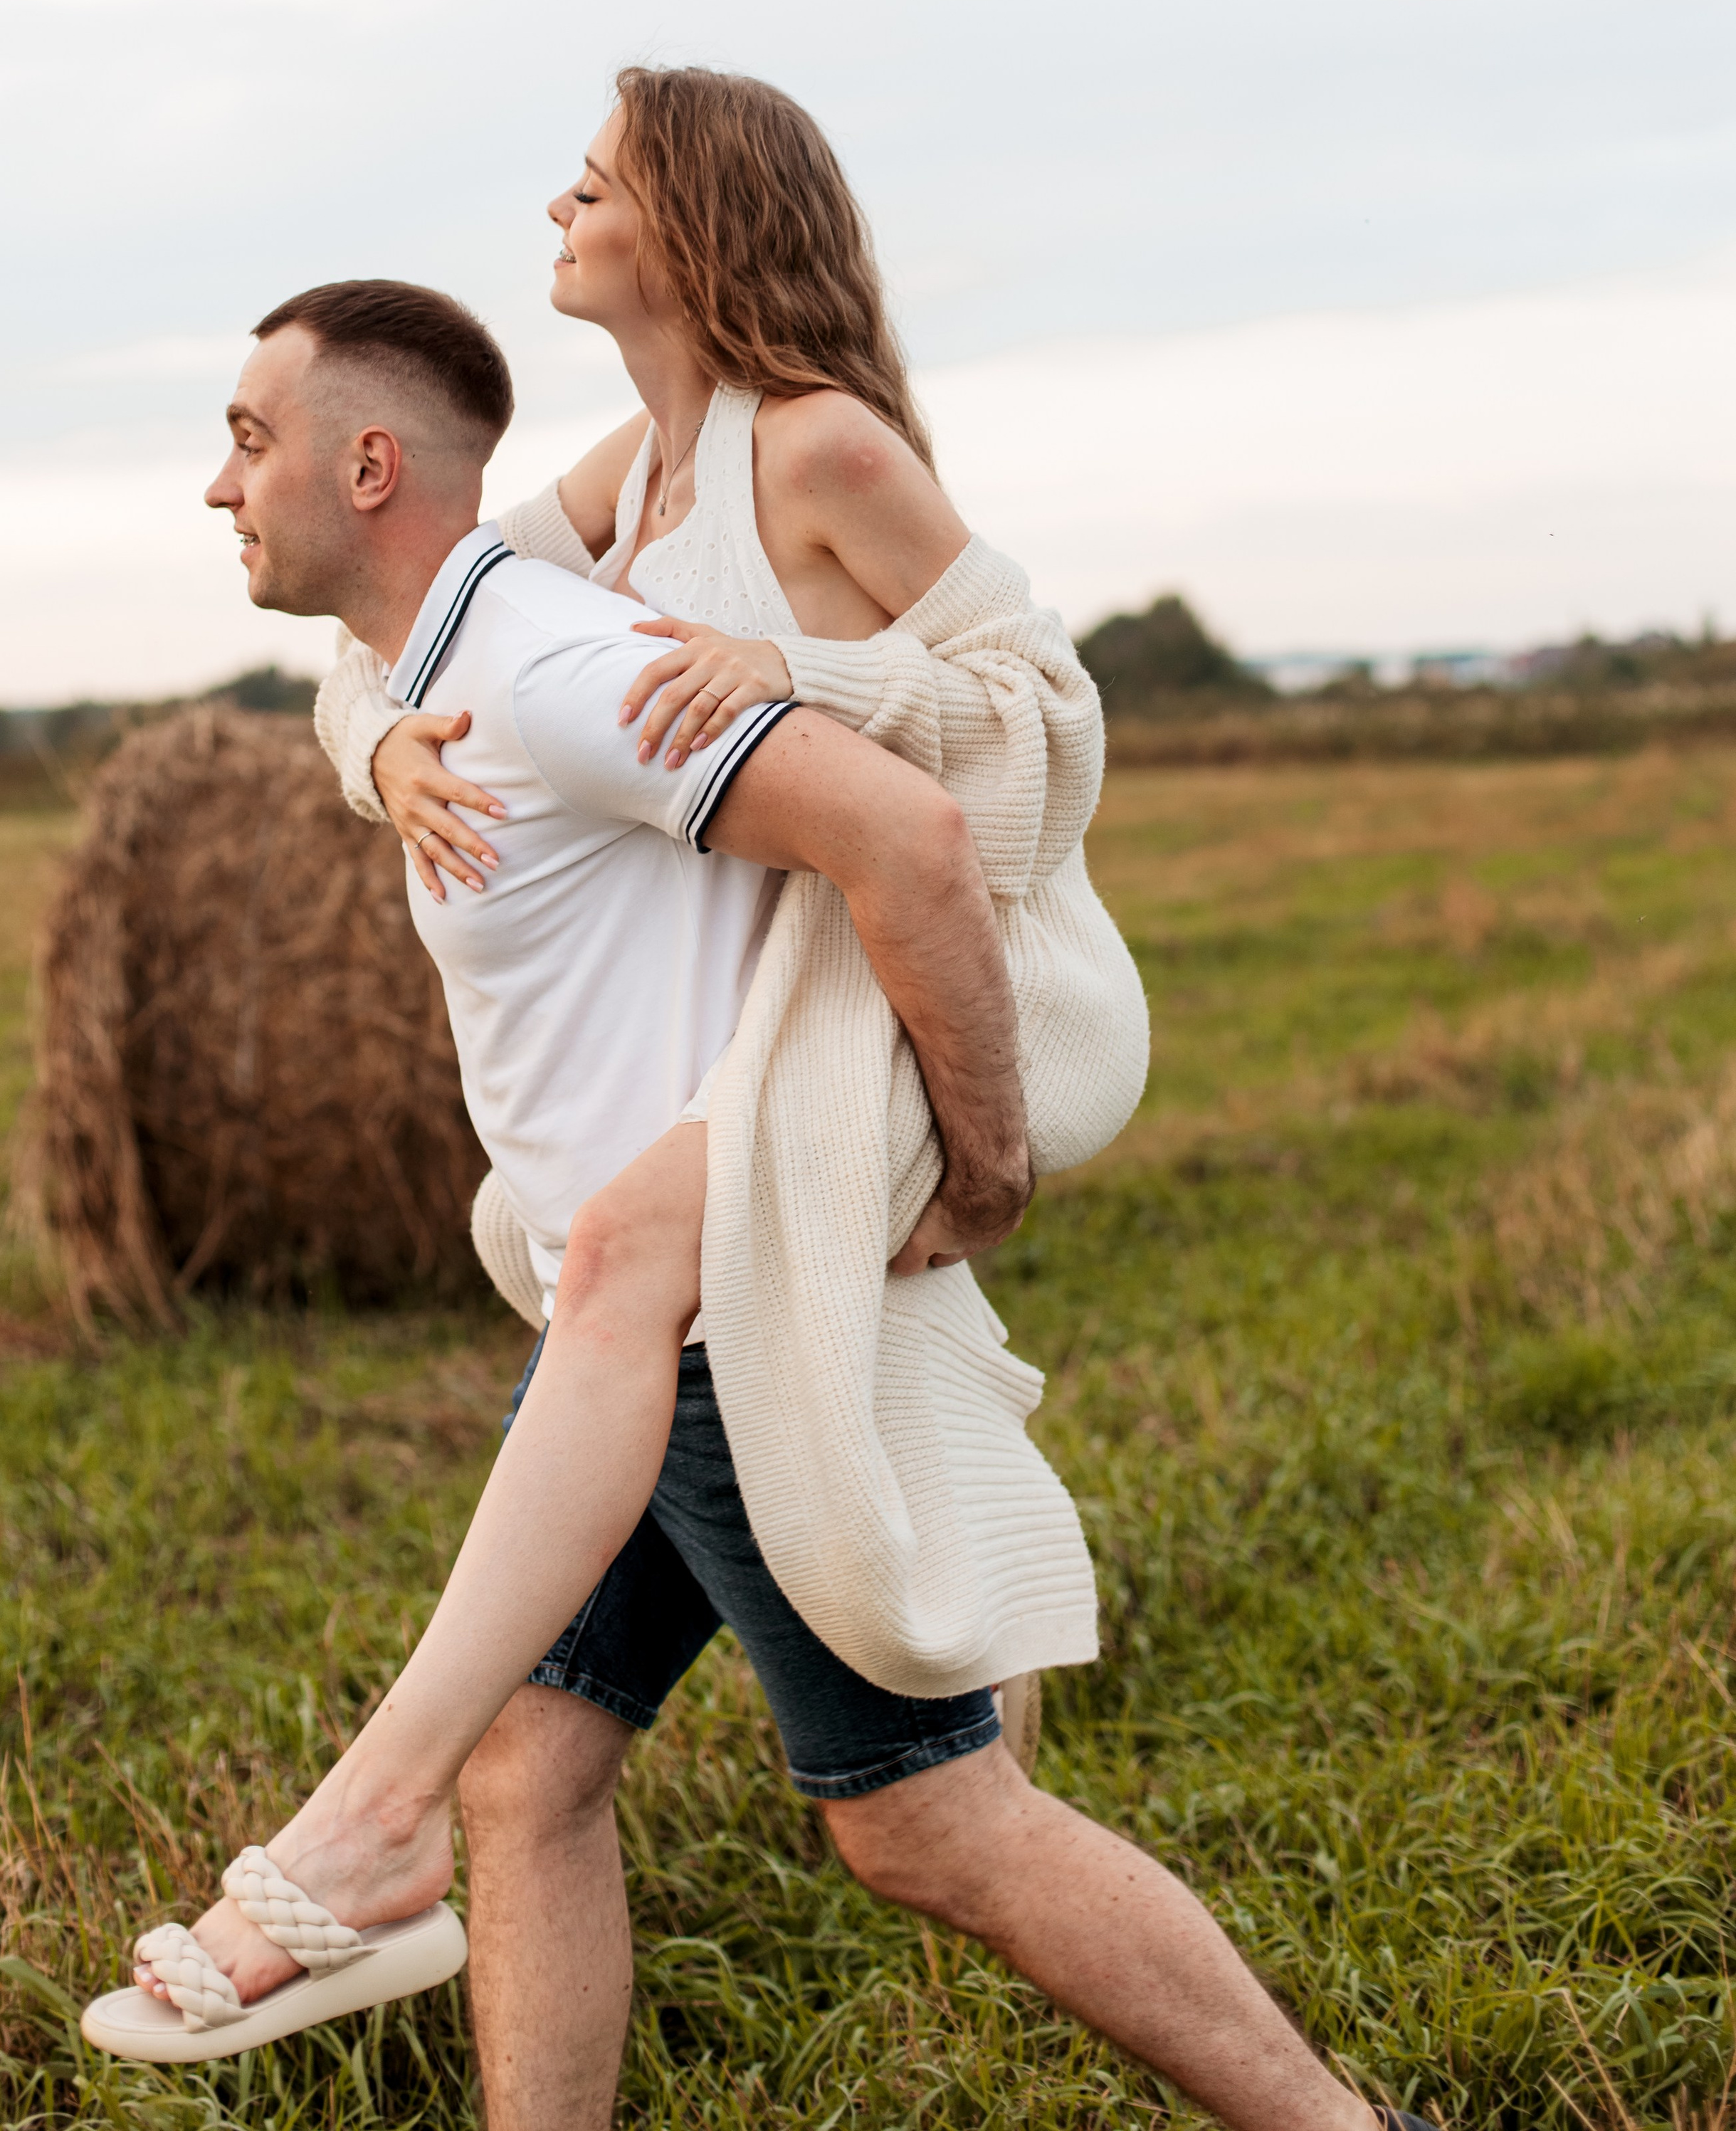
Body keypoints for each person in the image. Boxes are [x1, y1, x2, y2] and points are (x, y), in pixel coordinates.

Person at [90, 268, 1431, 2131]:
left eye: (249, 440)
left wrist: (984, 1151)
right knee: (530, 1774)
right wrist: (375, 743)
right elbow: (397, 688)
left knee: (931, 1827)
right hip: (616, 1343)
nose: (219, 485)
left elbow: (909, 833)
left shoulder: (548, 664)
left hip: (718, 1336)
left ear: (369, 461)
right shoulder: (456, 665)